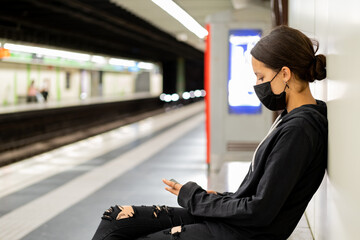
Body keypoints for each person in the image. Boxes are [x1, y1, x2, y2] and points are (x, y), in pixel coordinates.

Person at [91, 25, 328, 240]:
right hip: (235, 223)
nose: (258, 85)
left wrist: (195, 197)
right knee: (114, 218)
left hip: (242, 233)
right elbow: (257, 196)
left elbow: (259, 211)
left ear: (285, 74)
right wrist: (210, 198)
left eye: (261, 77)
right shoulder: (291, 118)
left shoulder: (299, 130)